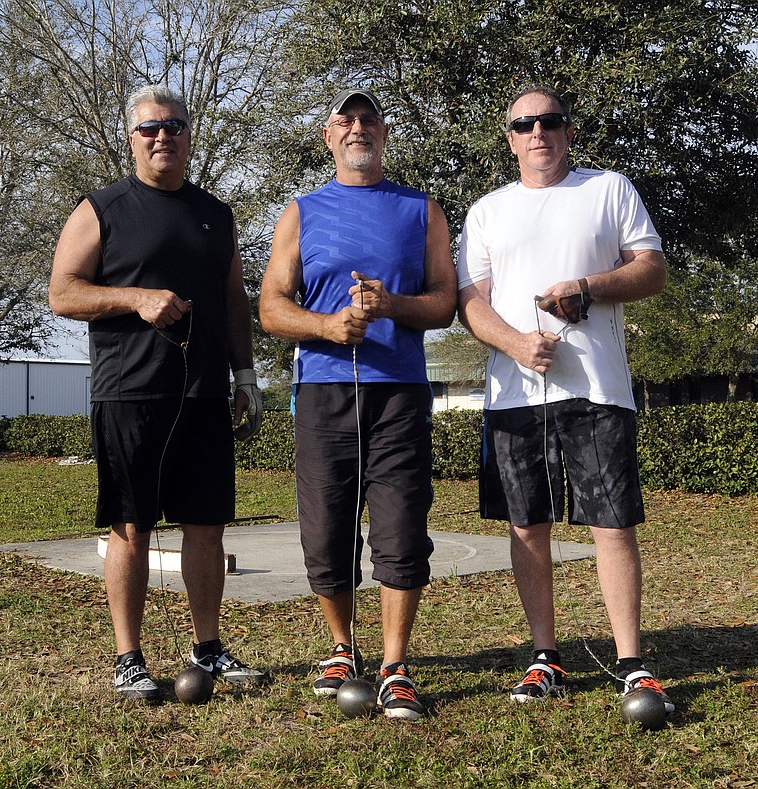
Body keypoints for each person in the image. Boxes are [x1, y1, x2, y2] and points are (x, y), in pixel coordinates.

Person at [456, 86, 674, 714]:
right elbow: (471, 301)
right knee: (528, 526)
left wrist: (588, 285)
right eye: (523, 124)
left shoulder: (609, 189)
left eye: (548, 121)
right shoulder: (488, 210)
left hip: (598, 389)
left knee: (612, 524)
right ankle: (544, 657)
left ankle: (631, 663)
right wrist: (517, 345)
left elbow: (652, 270)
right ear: (509, 138)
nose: (537, 133)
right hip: (513, 394)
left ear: (567, 131)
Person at [49, 85, 268, 703]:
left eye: (173, 127)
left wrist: (245, 376)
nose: (162, 137)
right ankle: (129, 658)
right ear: (132, 138)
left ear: (188, 135)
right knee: (131, 524)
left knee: (206, 524)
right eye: (150, 129)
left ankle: (207, 647)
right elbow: (63, 292)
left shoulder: (215, 215)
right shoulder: (102, 208)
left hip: (202, 392)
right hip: (130, 391)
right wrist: (136, 299)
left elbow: (232, 302)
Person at [259, 87, 456, 720]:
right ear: (328, 136)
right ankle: (342, 648)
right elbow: (271, 307)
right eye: (346, 119)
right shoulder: (301, 212)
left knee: (400, 525)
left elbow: (445, 302)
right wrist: (327, 326)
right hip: (322, 390)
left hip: (398, 391)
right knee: (325, 527)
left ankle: (396, 664)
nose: (358, 128)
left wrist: (392, 306)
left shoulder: (421, 210)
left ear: (385, 132)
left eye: (369, 118)